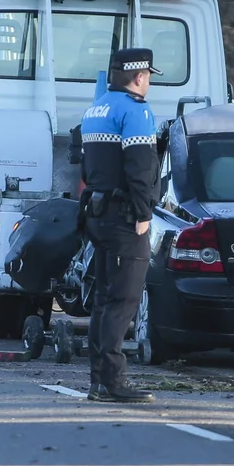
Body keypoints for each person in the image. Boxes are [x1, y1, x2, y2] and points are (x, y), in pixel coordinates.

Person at [79, 47, 161, 404]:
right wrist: (144, 214)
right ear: (139, 77)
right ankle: (115, 381)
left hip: (97, 214)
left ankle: (98, 380)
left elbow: (85, 169)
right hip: (124, 216)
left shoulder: (95, 109)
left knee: (102, 299)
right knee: (124, 299)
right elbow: (141, 168)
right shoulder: (136, 111)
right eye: (148, 77)